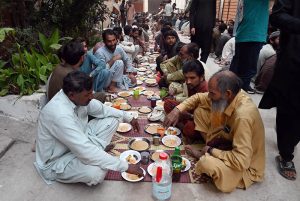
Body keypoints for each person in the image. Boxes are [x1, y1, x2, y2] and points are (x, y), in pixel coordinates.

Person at [164, 70, 265, 192]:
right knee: (200, 111)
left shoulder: (242, 116)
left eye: (212, 93)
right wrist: (177, 110)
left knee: (206, 163)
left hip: (246, 166)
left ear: (227, 93)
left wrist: (212, 151)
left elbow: (241, 161)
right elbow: (199, 97)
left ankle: (207, 152)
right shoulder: (232, 94)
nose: (209, 97)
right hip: (227, 141)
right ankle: (209, 147)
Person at [35, 71, 142, 185]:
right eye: (87, 94)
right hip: (58, 160)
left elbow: (102, 110)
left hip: (80, 140)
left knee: (113, 119)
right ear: (71, 95)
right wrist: (125, 166)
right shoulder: (60, 114)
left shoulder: (77, 97)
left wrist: (128, 117)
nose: (91, 97)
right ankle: (96, 154)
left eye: (91, 92)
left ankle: (96, 154)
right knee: (97, 173)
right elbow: (83, 149)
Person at [259, 0, 300, 181]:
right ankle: (286, 155)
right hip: (294, 58)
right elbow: (276, 15)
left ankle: (289, 139)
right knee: (289, 108)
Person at [229, 0, 269, 94]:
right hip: (253, 34)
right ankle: (242, 91)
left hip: (243, 33)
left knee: (238, 67)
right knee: (248, 69)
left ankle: (235, 88)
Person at [164, 60, 208, 143]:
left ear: (201, 77)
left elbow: (205, 119)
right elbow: (189, 102)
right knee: (168, 103)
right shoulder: (191, 84)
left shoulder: (206, 90)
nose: (188, 82)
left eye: (192, 78)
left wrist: (188, 115)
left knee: (189, 128)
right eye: (186, 78)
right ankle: (181, 126)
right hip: (191, 113)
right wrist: (179, 110)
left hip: (200, 121)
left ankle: (183, 128)